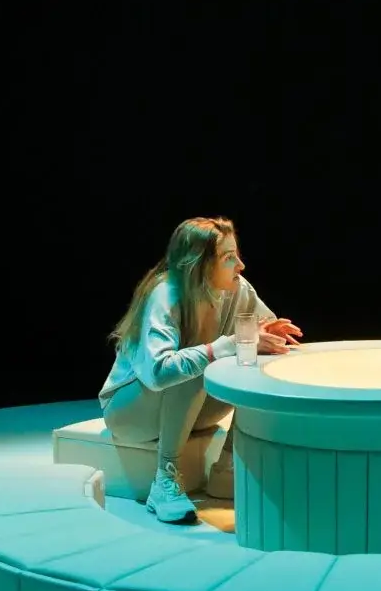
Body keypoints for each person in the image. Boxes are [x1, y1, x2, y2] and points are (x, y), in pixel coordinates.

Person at [100, 217, 302, 523]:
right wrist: (227, 345)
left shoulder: (237, 289)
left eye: (237, 254)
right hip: (130, 413)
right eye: (228, 257)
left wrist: (268, 334)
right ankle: (164, 481)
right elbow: (158, 372)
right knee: (194, 367)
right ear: (200, 264)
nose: (240, 265)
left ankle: (228, 468)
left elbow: (256, 331)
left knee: (256, 360)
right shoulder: (166, 294)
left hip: (190, 410)